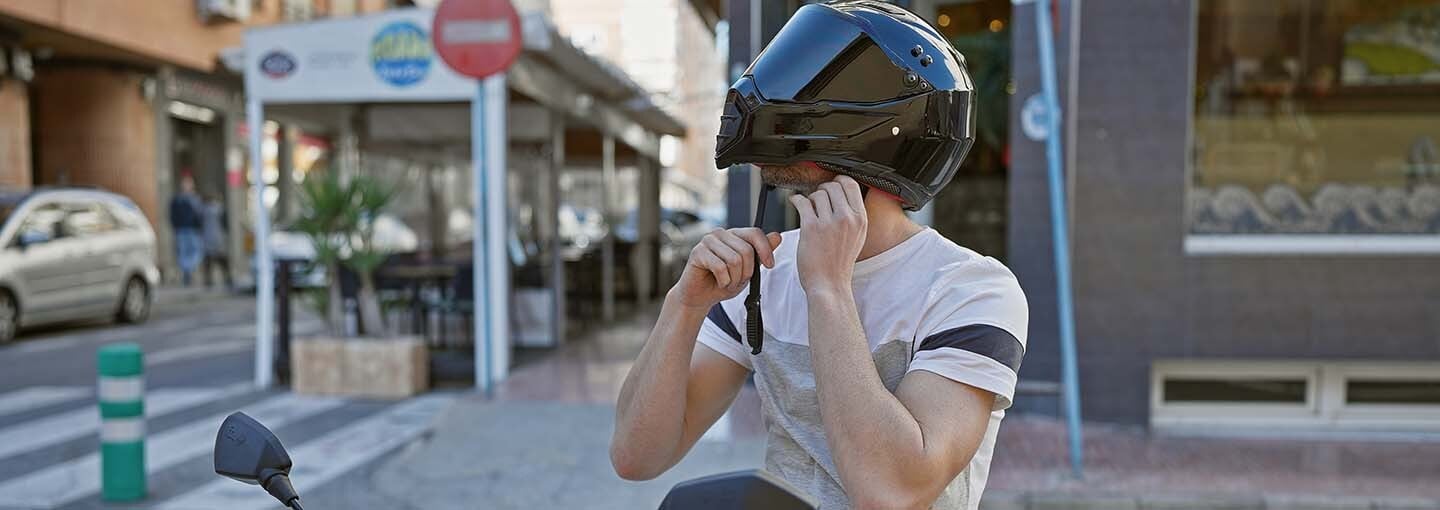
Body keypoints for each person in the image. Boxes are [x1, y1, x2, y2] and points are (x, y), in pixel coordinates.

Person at [610, 2, 1027, 509]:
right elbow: (636, 457)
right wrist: (684, 305)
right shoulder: (761, 274)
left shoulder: (970, 290)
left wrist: (828, 289)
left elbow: (895, 492)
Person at [168, 174, 205, 286]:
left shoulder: (196, 198)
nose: (187, 186)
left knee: (197, 251)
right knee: (183, 252)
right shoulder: (178, 199)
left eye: (189, 183)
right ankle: (187, 273)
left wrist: (200, 226)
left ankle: (188, 269)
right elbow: (172, 215)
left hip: (194, 230)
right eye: (185, 184)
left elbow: (200, 214)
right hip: (182, 229)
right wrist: (175, 226)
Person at [201, 194, 233, 291]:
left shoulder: (203, 210)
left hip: (207, 237)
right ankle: (227, 278)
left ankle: (208, 280)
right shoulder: (220, 209)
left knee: (209, 260)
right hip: (218, 237)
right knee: (222, 260)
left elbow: (198, 223)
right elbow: (225, 224)